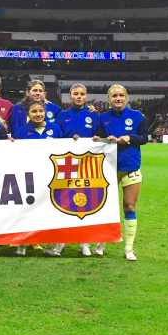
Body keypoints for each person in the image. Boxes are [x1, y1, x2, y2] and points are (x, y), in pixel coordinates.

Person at [96, 84, 148, 261]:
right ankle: (101, 243)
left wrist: (130, 138)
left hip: (130, 167)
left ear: (126, 97)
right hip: (108, 168)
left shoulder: (138, 117)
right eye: (114, 96)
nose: (118, 98)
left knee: (129, 206)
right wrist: (105, 139)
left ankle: (129, 248)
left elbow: (144, 138)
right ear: (109, 99)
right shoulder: (102, 118)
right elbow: (97, 139)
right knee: (105, 207)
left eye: (121, 95)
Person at [52, 82, 101, 257]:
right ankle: (61, 241)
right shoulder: (62, 115)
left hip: (88, 165)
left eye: (82, 94)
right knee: (64, 202)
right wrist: (68, 138)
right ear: (70, 96)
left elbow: (100, 137)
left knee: (84, 203)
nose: (79, 96)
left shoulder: (94, 116)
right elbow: (56, 137)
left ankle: (84, 242)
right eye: (75, 93)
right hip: (67, 165)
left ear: (86, 96)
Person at [12, 98, 63, 257]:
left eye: (40, 111)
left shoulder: (55, 128)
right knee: (27, 210)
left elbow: (65, 148)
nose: (38, 114)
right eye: (34, 111)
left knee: (53, 210)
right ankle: (22, 244)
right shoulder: (21, 131)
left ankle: (54, 245)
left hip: (51, 177)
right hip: (30, 177)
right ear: (28, 114)